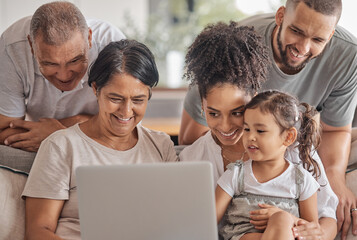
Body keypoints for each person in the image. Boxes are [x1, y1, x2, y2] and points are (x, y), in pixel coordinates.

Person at [179, 0, 357, 238]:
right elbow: (200, 225)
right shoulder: (199, 158)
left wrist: (310, 228)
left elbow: (324, 220)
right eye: (213, 113)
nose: (226, 125)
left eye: (238, 112)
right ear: (202, 106)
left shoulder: (293, 150)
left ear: (255, 97)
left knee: (282, 220)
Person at [21, 39, 178, 239]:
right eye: (115, 99)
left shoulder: (161, 145)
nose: (126, 111)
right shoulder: (61, 146)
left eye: (138, 100)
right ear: (96, 89)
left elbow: (174, 220)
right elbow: (37, 232)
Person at [0, 1, 125, 152]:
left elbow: (123, 125)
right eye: (50, 64)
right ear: (31, 45)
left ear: (89, 38)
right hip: (36, 143)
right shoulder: (11, 48)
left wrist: (59, 132)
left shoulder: (114, 49)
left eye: (75, 60)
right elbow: (5, 131)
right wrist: (88, 125)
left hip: (95, 147)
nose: (64, 76)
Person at [216, 90, 321, 240]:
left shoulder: (301, 180)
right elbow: (208, 220)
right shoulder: (236, 174)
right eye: (247, 129)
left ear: (288, 137)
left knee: (282, 219)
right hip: (245, 237)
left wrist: (287, 218)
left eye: (260, 131)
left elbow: (311, 232)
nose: (250, 137)